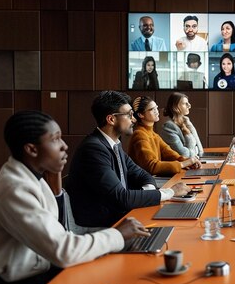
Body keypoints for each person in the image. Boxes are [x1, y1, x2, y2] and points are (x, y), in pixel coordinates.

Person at [0, 110, 149, 284]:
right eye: (55, 139)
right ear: (32, 149)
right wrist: (117, 234)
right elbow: (64, 251)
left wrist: (55, 179)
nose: (64, 146)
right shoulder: (15, 188)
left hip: (38, 269)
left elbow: (58, 231)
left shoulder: (32, 176)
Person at [66, 91, 192, 227]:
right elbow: (122, 198)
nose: (133, 119)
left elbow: (143, 175)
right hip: (103, 226)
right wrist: (170, 192)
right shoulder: (93, 149)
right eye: (129, 115)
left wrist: (146, 193)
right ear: (111, 119)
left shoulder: (114, 144)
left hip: (122, 216)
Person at [128, 96, 200, 176]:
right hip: (144, 185)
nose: (157, 111)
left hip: (152, 180)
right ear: (141, 114)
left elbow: (171, 154)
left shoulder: (153, 135)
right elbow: (152, 166)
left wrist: (189, 162)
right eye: (152, 109)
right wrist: (182, 164)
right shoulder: (139, 134)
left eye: (156, 108)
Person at [160, 92, 204, 158]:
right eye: (184, 103)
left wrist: (190, 126)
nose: (189, 105)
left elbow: (199, 150)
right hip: (180, 166)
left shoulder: (185, 122)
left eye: (188, 103)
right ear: (175, 107)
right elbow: (183, 154)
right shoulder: (169, 126)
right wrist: (194, 154)